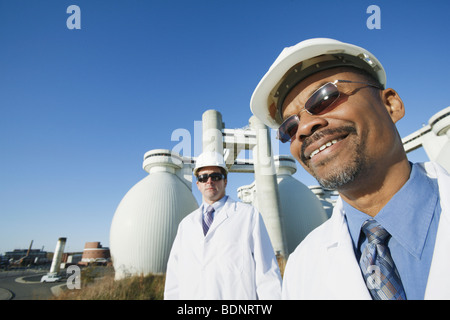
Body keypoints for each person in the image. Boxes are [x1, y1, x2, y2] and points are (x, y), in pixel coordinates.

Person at [250, 38, 450, 300]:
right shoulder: (302, 269)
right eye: (290, 127)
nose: (305, 128)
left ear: (391, 105)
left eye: (325, 97)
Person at [164, 151, 282, 299]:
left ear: (225, 181)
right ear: (198, 184)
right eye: (203, 177)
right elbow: (174, 278)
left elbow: (267, 272)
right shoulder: (186, 225)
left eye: (216, 177)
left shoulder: (248, 215)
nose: (209, 181)